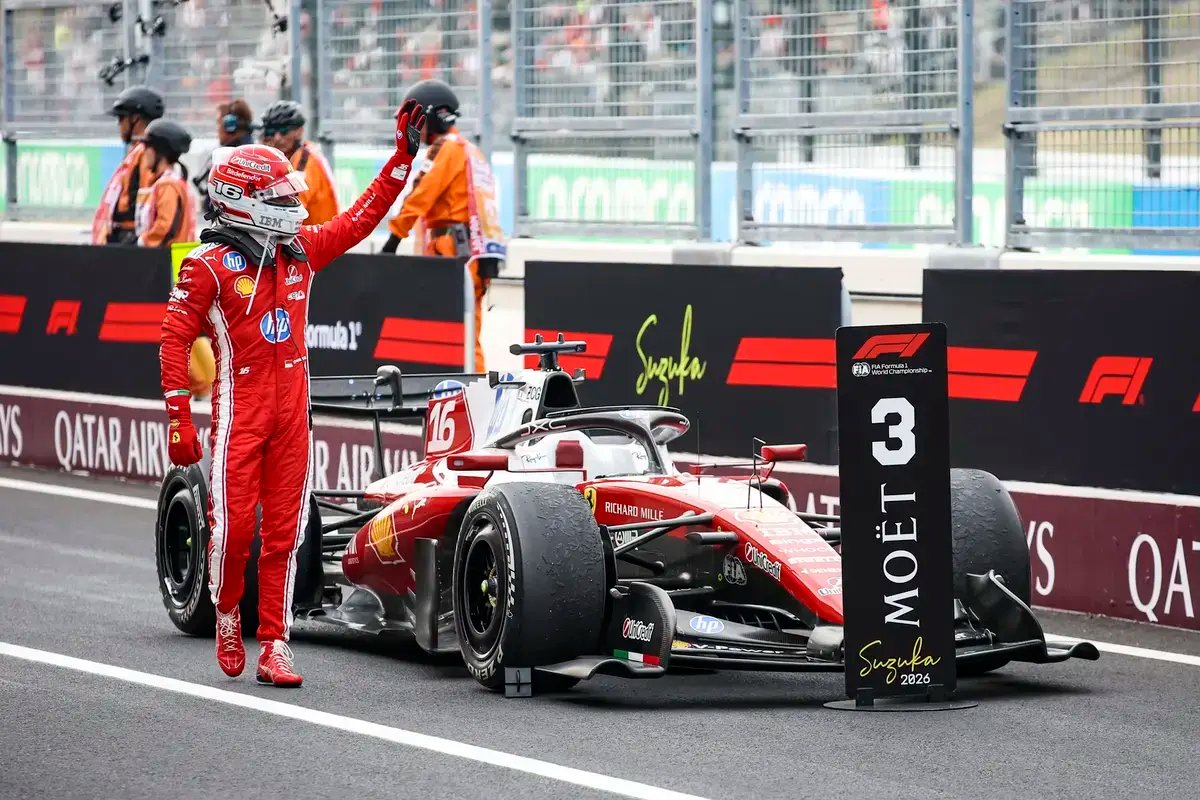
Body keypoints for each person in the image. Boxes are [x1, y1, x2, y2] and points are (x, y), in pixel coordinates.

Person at [158, 99, 427, 687]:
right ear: (244, 204)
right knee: (232, 532)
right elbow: (173, 338)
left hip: (293, 414)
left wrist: (403, 155)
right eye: (280, 198)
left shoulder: (301, 250)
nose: (292, 206)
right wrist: (178, 415)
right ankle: (227, 610)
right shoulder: (206, 264)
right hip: (239, 414)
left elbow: (360, 219)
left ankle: (275, 643)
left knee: (286, 533)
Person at [381, 79, 506, 372]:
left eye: (418, 122)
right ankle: (470, 389)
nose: (416, 130)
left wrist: (395, 237)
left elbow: (422, 193)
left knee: (452, 329)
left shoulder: (445, 149)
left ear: (434, 116)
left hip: (451, 252)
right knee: (467, 328)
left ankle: (464, 392)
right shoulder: (469, 150)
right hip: (472, 252)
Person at [92, 85, 165, 245]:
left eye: (121, 118)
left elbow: (148, 204)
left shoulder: (146, 154)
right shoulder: (137, 153)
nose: (119, 125)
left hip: (131, 240)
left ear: (135, 119)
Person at [258, 100, 339, 225]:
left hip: (317, 238)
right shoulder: (297, 154)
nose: (277, 138)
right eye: (271, 132)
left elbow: (289, 211)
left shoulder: (305, 160)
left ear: (299, 131)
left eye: (284, 131)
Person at [134, 120, 197, 248]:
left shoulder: (168, 185)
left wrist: (142, 242)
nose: (143, 151)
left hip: (167, 262)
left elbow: (165, 227)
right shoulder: (175, 180)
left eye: (147, 146)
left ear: (159, 151)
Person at [194, 99, 256, 217]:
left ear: (230, 126)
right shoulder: (247, 151)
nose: (217, 129)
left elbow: (214, 203)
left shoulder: (235, 158)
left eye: (218, 123)